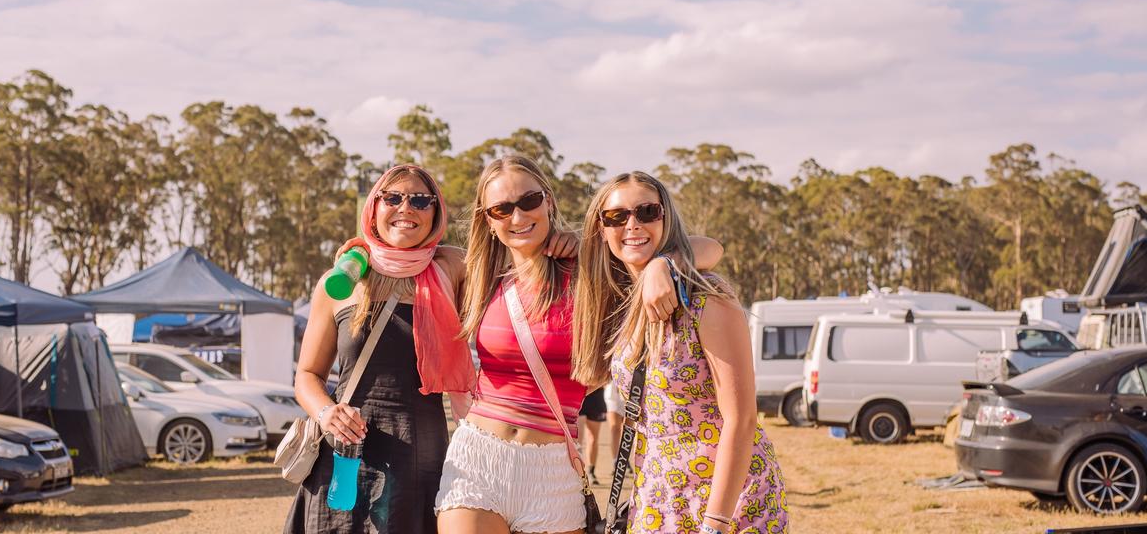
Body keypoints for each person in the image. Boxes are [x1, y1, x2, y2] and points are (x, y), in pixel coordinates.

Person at [436, 156, 722, 534]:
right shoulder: (476, 274)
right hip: (479, 459)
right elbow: (400, 257)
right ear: (487, 219)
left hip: (554, 466)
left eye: (529, 201)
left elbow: (710, 248)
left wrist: (662, 264)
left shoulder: (593, 269)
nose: (518, 217)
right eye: (502, 209)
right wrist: (357, 253)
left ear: (548, 202)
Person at [574, 171, 788, 534]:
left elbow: (742, 420)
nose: (633, 224)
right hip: (657, 494)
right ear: (601, 228)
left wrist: (715, 524)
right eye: (617, 216)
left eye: (646, 212)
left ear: (665, 217)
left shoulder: (705, 299)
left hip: (728, 502)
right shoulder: (621, 301)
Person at [286, 164, 474, 534]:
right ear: (374, 207)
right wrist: (326, 412)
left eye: (421, 200)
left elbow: (520, 260)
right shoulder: (340, 281)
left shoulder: (452, 267)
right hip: (343, 452)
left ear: (436, 213)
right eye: (393, 197)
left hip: (418, 452)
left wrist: (565, 240)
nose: (406, 208)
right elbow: (307, 375)